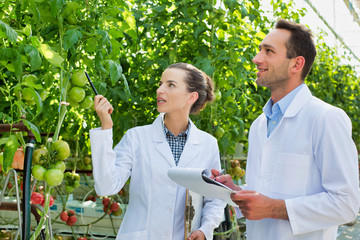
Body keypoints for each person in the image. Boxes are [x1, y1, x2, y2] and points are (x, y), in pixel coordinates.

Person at [212, 19, 360, 239]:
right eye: (259, 50)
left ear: (296, 64)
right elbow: (268, 191)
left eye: (269, 51)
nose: (256, 58)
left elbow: (346, 204)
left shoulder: (325, 118)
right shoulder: (258, 125)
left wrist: (273, 208)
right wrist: (237, 192)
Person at [90, 62, 226, 240]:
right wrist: (106, 127)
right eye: (160, 84)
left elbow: (215, 198)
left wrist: (205, 229)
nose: (160, 90)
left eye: (170, 85)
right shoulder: (136, 138)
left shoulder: (208, 144)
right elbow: (106, 186)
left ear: (191, 97)